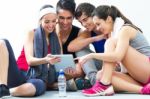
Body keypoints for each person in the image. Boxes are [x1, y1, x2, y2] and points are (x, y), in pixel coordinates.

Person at [78, 5, 150, 96]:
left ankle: (104, 85)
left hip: (147, 70)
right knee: (100, 75)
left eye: (98, 24)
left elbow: (118, 56)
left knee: (110, 42)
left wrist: (91, 55)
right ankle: (144, 89)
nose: (97, 28)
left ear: (108, 19)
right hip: (138, 77)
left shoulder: (125, 29)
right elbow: (109, 66)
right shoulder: (113, 34)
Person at [0, 4, 61, 98]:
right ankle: (2, 86)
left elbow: (59, 64)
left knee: (36, 87)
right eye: (47, 21)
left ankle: (8, 91)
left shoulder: (57, 39)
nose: (51, 25)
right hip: (19, 73)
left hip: (36, 79)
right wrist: (46, 60)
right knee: (2, 42)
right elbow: (30, 61)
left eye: (53, 21)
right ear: (40, 21)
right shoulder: (31, 33)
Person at [56, 0, 97, 90]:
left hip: (74, 67)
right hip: (54, 65)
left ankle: (60, 83)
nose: (65, 22)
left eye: (69, 18)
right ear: (56, 16)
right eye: (61, 18)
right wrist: (57, 34)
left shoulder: (80, 32)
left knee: (80, 67)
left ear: (73, 17)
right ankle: (63, 84)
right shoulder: (51, 29)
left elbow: (83, 57)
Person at [68, 3, 107, 86]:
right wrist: (96, 38)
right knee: (80, 49)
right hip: (102, 63)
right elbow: (71, 47)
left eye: (85, 20)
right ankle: (94, 79)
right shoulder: (89, 32)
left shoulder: (108, 25)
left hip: (116, 63)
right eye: (81, 22)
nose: (84, 24)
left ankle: (93, 82)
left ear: (94, 15)